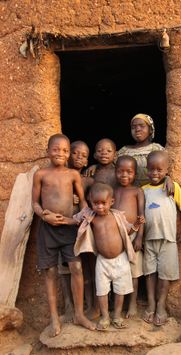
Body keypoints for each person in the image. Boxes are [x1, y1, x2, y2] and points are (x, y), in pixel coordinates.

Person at [32, 133, 95, 337]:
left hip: (69, 229)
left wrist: (79, 217)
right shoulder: (41, 174)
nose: (60, 153)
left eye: (65, 150)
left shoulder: (73, 175)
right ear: (48, 151)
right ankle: (54, 319)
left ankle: (78, 314)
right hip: (47, 229)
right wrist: (44, 216)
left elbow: (83, 201)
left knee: (76, 267)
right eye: (56, 149)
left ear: (68, 154)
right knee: (50, 273)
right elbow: (35, 203)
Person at [72, 183, 145, 330]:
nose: (99, 207)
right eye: (96, 203)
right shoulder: (91, 217)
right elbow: (76, 219)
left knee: (120, 290)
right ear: (91, 202)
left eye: (103, 203)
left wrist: (136, 224)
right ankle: (105, 317)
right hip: (102, 261)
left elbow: (128, 231)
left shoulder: (117, 216)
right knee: (102, 290)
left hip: (120, 259)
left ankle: (117, 316)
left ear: (111, 202)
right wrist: (82, 211)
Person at [142, 150, 181, 326]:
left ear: (166, 170)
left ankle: (161, 304)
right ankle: (151, 302)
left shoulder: (172, 187)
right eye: (152, 169)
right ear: (146, 169)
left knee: (165, 274)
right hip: (149, 240)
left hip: (168, 239)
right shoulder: (143, 190)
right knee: (149, 273)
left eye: (160, 170)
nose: (155, 173)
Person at [58, 140, 96, 322]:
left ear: (88, 161)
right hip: (62, 229)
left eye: (84, 155)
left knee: (85, 267)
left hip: (80, 228)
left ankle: (90, 305)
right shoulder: (60, 176)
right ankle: (68, 306)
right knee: (64, 268)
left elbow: (91, 202)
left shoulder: (88, 180)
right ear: (67, 154)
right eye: (75, 153)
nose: (79, 157)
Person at [113, 155, 145, 318]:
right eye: (120, 171)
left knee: (134, 272)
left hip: (133, 237)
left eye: (129, 172)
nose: (124, 175)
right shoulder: (113, 190)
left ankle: (132, 303)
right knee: (117, 270)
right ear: (115, 172)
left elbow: (141, 215)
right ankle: (119, 303)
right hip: (116, 238)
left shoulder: (137, 191)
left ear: (135, 174)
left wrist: (139, 237)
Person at [117, 113, 172, 189]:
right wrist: (96, 167)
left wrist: (168, 178)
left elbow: (167, 169)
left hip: (154, 192)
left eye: (142, 126)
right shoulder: (124, 151)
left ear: (150, 129)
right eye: (133, 127)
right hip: (131, 194)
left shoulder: (157, 149)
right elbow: (110, 167)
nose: (137, 129)